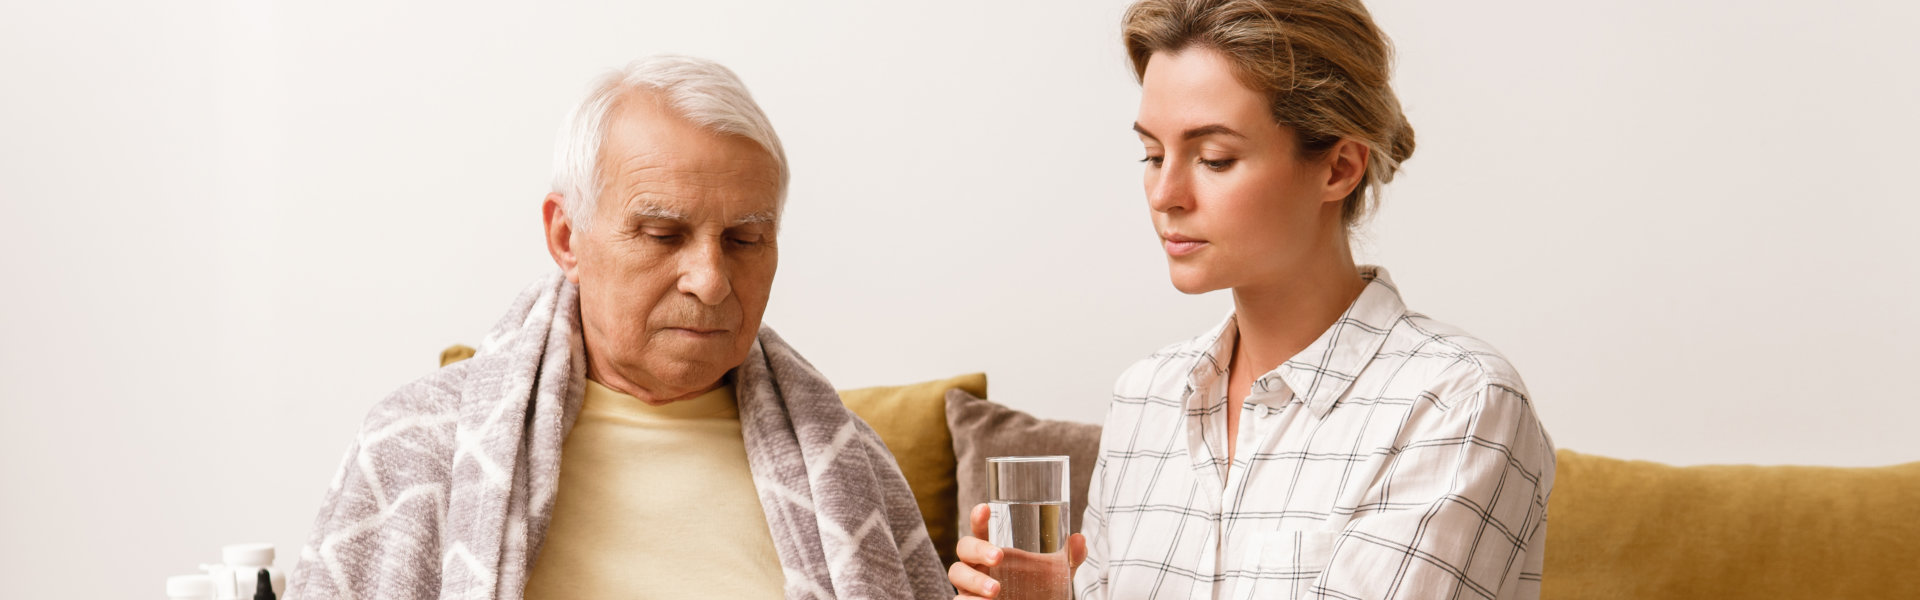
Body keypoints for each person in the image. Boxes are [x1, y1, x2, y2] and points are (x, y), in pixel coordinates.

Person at [950, 1, 1556, 598]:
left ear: (1339, 167)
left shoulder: (1456, 404)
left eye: (1215, 158)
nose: (1164, 194)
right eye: (1153, 155)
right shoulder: (1144, 398)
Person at [289, 55, 952, 600]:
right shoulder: (413, 446)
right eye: (664, 233)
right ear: (566, 236)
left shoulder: (851, 462)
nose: (711, 279)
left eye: (745, 239)